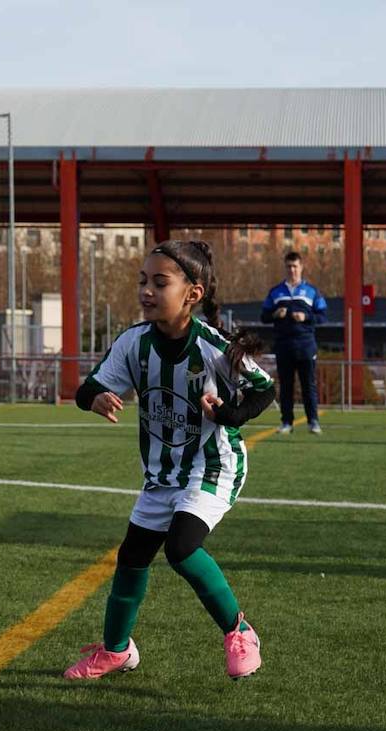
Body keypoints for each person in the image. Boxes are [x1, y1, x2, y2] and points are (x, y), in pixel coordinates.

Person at [66, 239, 275, 682]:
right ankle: (116, 651)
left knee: (181, 548)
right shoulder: (132, 343)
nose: (147, 290)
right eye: (143, 280)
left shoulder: (214, 347)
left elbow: (264, 389)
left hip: (214, 464)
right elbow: (86, 388)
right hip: (162, 474)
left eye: (160, 282)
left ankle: (239, 631)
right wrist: (95, 398)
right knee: (133, 557)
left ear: (192, 294)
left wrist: (230, 414)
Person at [261, 251, 326, 434]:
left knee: (309, 385)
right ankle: (286, 423)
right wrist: (275, 314)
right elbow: (264, 316)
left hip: (306, 344)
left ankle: (313, 421)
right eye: (289, 266)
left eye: (295, 266)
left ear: (301, 267)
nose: (292, 270)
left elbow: (323, 317)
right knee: (286, 386)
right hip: (284, 345)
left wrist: (306, 316)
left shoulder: (312, 291)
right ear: (285, 267)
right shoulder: (275, 292)